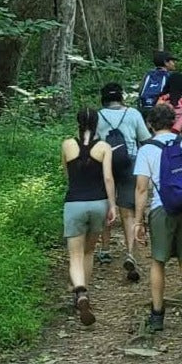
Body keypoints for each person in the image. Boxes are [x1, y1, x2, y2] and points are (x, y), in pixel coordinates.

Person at [132, 102, 182, 332]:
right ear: (174, 121)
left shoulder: (146, 149)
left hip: (161, 210)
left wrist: (138, 222)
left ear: (150, 124)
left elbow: (141, 189)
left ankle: (157, 316)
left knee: (158, 261)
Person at [61, 108, 117, 326]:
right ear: (97, 124)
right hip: (98, 204)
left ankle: (80, 292)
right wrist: (112, 205)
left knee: (74, 254)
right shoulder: (104, 147)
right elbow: (108, 178)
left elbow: (66, 174)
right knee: (89, 250)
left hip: (74, 202)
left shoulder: (67, 145)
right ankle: (85, 290)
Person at [96, 82, 151, 282]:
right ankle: (130, 252)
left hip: (105, 164)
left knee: (106, 208)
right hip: (131, 164)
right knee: (127, 212)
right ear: (121, 97)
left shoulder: (98, 116)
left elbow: (94, 142)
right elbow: (144, 139)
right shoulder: (133, 114)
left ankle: (105, 249)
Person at [139, 50, 182, 132]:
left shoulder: (148, 74)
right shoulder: (170, 76)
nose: (174, 63)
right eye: (172, 61)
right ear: (166, 63)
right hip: (160, 111)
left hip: (143, 108)